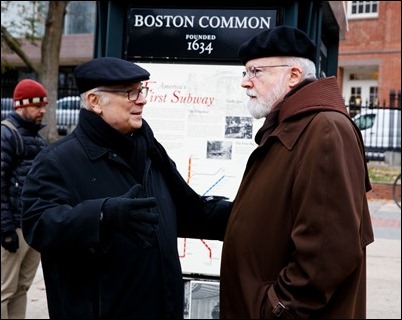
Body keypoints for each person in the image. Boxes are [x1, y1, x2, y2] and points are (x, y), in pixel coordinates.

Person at [20, 56, 232, 319]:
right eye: (130, 92)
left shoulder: (150, 150)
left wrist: (244, 214)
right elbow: (37, 224)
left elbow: (187, 211)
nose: (141, 99)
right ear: (95, 102)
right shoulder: (58, 160)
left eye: (141, 90)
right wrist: (102, 215)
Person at [220, 26, 374, 319]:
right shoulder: (292, 126)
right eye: (245, 72)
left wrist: (277, 308)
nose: (245, 82)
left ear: (292, 75)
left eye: (255, 72)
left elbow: (327, 251)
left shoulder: (324, 129)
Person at [1, 79, 48, 319]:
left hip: (31, 227)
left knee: (21, 288)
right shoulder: (6, 134)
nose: (43, 110)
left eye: (44, 105)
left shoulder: (38, 140)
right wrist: (6, 229)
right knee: (4, 291)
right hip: (12, 228)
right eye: (37, 105)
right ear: (21, 105)